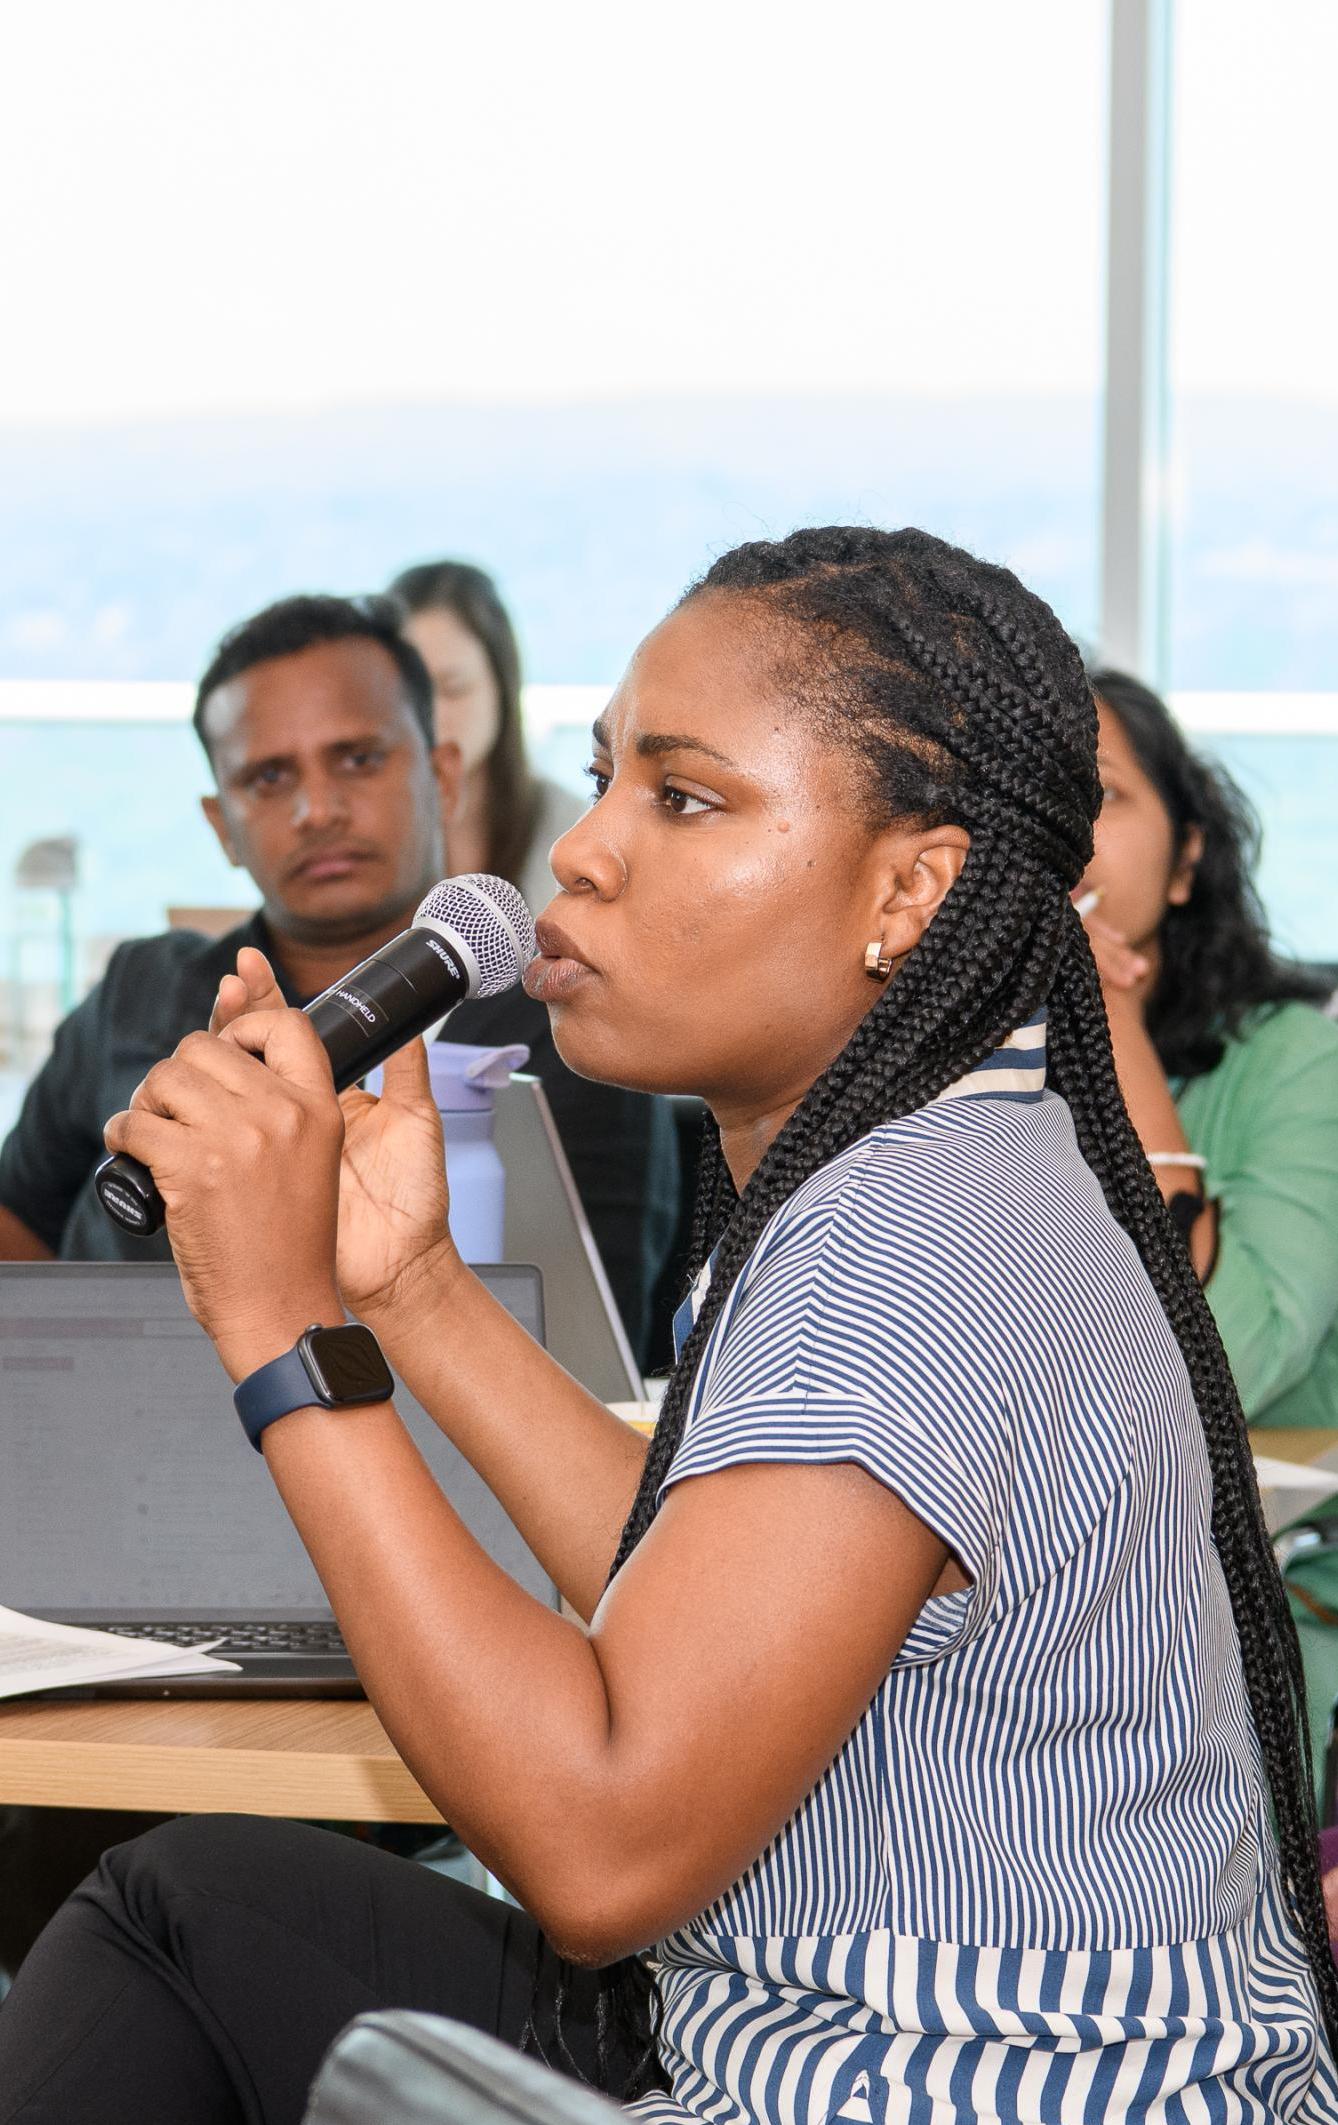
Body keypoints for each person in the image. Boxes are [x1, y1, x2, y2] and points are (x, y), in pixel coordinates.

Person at [2, 527, 1336, 2124]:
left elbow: (600, 1846)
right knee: (186, 1909)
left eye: (683, 796)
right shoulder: (944, 1154)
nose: (582, 849)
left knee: (162, 1934)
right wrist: (405, 1286)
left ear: (909, 888)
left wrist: (284, 1325)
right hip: (843, 2029)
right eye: (604, 774)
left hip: (917, 2088)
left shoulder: (913, 1247)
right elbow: (689, 1584)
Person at [0, 592, 678, 1364]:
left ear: (444, 776)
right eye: (268, 777)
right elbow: (17, 1226)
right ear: (221, 823)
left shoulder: (565, 1025)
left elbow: (589, 1351)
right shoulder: (141, 987)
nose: (317, 809)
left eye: (358, 759)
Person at [1074, 667, 1338, 1428]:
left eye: (1101, 792)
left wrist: (1107, 1010)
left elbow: (1237, 1369)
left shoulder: (1296, 1057)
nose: (1060, 827)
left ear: (1185, 860)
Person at [390, 559, 586, 915]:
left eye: (453, 689)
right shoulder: (369, 838)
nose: (430, 717)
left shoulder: (570, 828)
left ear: (501, 686)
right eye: (411, 694)